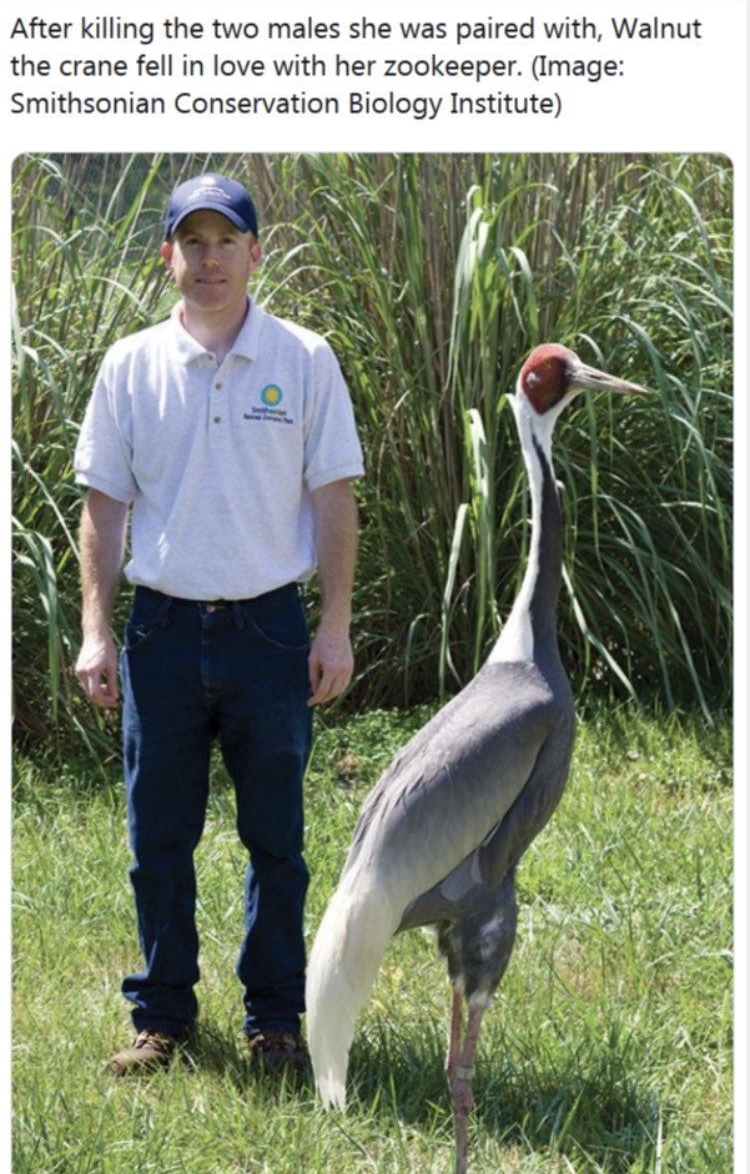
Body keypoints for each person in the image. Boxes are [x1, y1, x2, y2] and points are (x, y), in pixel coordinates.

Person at [74, 172, 364, 1076]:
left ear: (254, 254)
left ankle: (275, 1020)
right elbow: (102, 508)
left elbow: (335, 501)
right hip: (160, 635)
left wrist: (335, 626)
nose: (209, 259)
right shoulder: (130, 365)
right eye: (191, 242)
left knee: (275, 840)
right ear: (168, 256)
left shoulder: (304, 360)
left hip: (271, 633)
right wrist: (97, 628)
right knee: (157, 841)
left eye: (225, 241)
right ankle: (161, 1019)